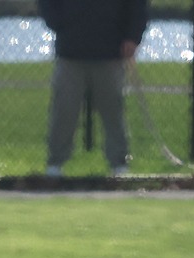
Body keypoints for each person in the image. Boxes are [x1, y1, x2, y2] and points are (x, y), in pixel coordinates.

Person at [39, 0, 148, 178]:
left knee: (113, 110)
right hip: (70, 51)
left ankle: (119, 163)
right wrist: (62, 24)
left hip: (110, 51)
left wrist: (132, 37)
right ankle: (55, 163)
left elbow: (137, 6)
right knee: (64, 109)